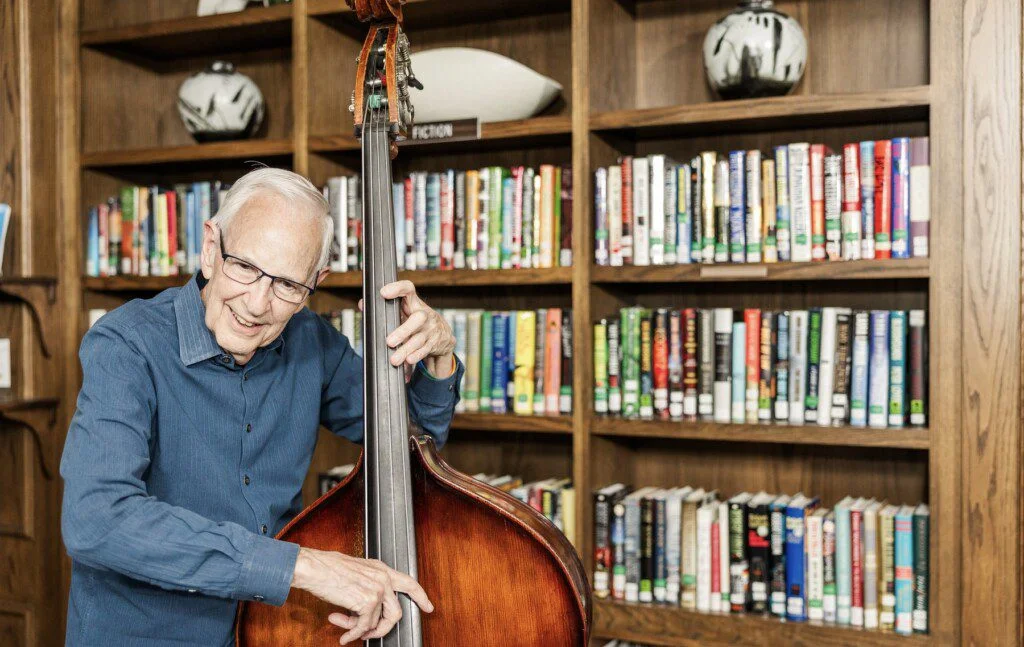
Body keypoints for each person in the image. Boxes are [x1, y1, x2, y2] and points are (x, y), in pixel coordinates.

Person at [60, 168, 464, 646]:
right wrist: (303, 566)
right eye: (245, 267)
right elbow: (97, 520)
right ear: (211, 248)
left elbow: (413, 441)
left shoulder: (311, 341)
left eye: (288, 285)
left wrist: (439, 356)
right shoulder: (127, 343)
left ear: (316, 281)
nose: (257, 303)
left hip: (273, 632)